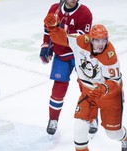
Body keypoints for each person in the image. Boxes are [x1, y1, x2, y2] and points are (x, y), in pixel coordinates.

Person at [44, 13, 127, 151]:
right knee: (80, 125)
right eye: (97, 40)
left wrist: (104, 89)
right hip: (89, 93)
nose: (101, 44)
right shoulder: (81, 41)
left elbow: (116, 83)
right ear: (91, 39)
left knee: (113, 134)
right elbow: (62, 39)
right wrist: (53, 28)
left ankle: (125, 137)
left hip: (110, 97)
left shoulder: (110, 56)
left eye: (104, 40)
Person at [39, 0, 98, 135]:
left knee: (87, 88)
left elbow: (78, 40)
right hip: (61, 55)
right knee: (58, 90)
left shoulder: (84, 13)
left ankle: (93, 117)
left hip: (80, 55)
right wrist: (45, 46)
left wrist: (56, 30)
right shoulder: (54, 9)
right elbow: (47, 32)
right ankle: (53, 119)